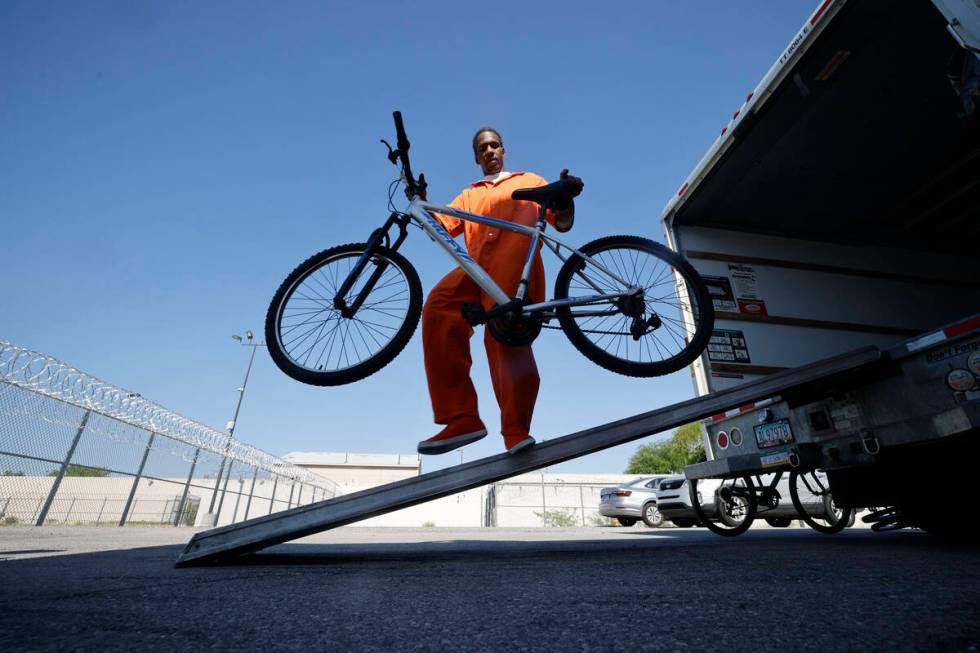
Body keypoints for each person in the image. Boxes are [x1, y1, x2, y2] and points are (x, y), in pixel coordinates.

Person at [417, 127, 579, 456]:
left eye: (495, 145)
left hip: (514, 266)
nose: (490, 151)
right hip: (475, 269)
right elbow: (440, 228)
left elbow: (562, 223)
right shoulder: (468, 195)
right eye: (483, 148)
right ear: (477, 158)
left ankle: (515, 431)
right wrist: (421, 201)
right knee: (437, 307)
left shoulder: (530, 180)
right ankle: (462, 418)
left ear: (503, 151)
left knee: (504, 337)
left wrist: (564, 200)